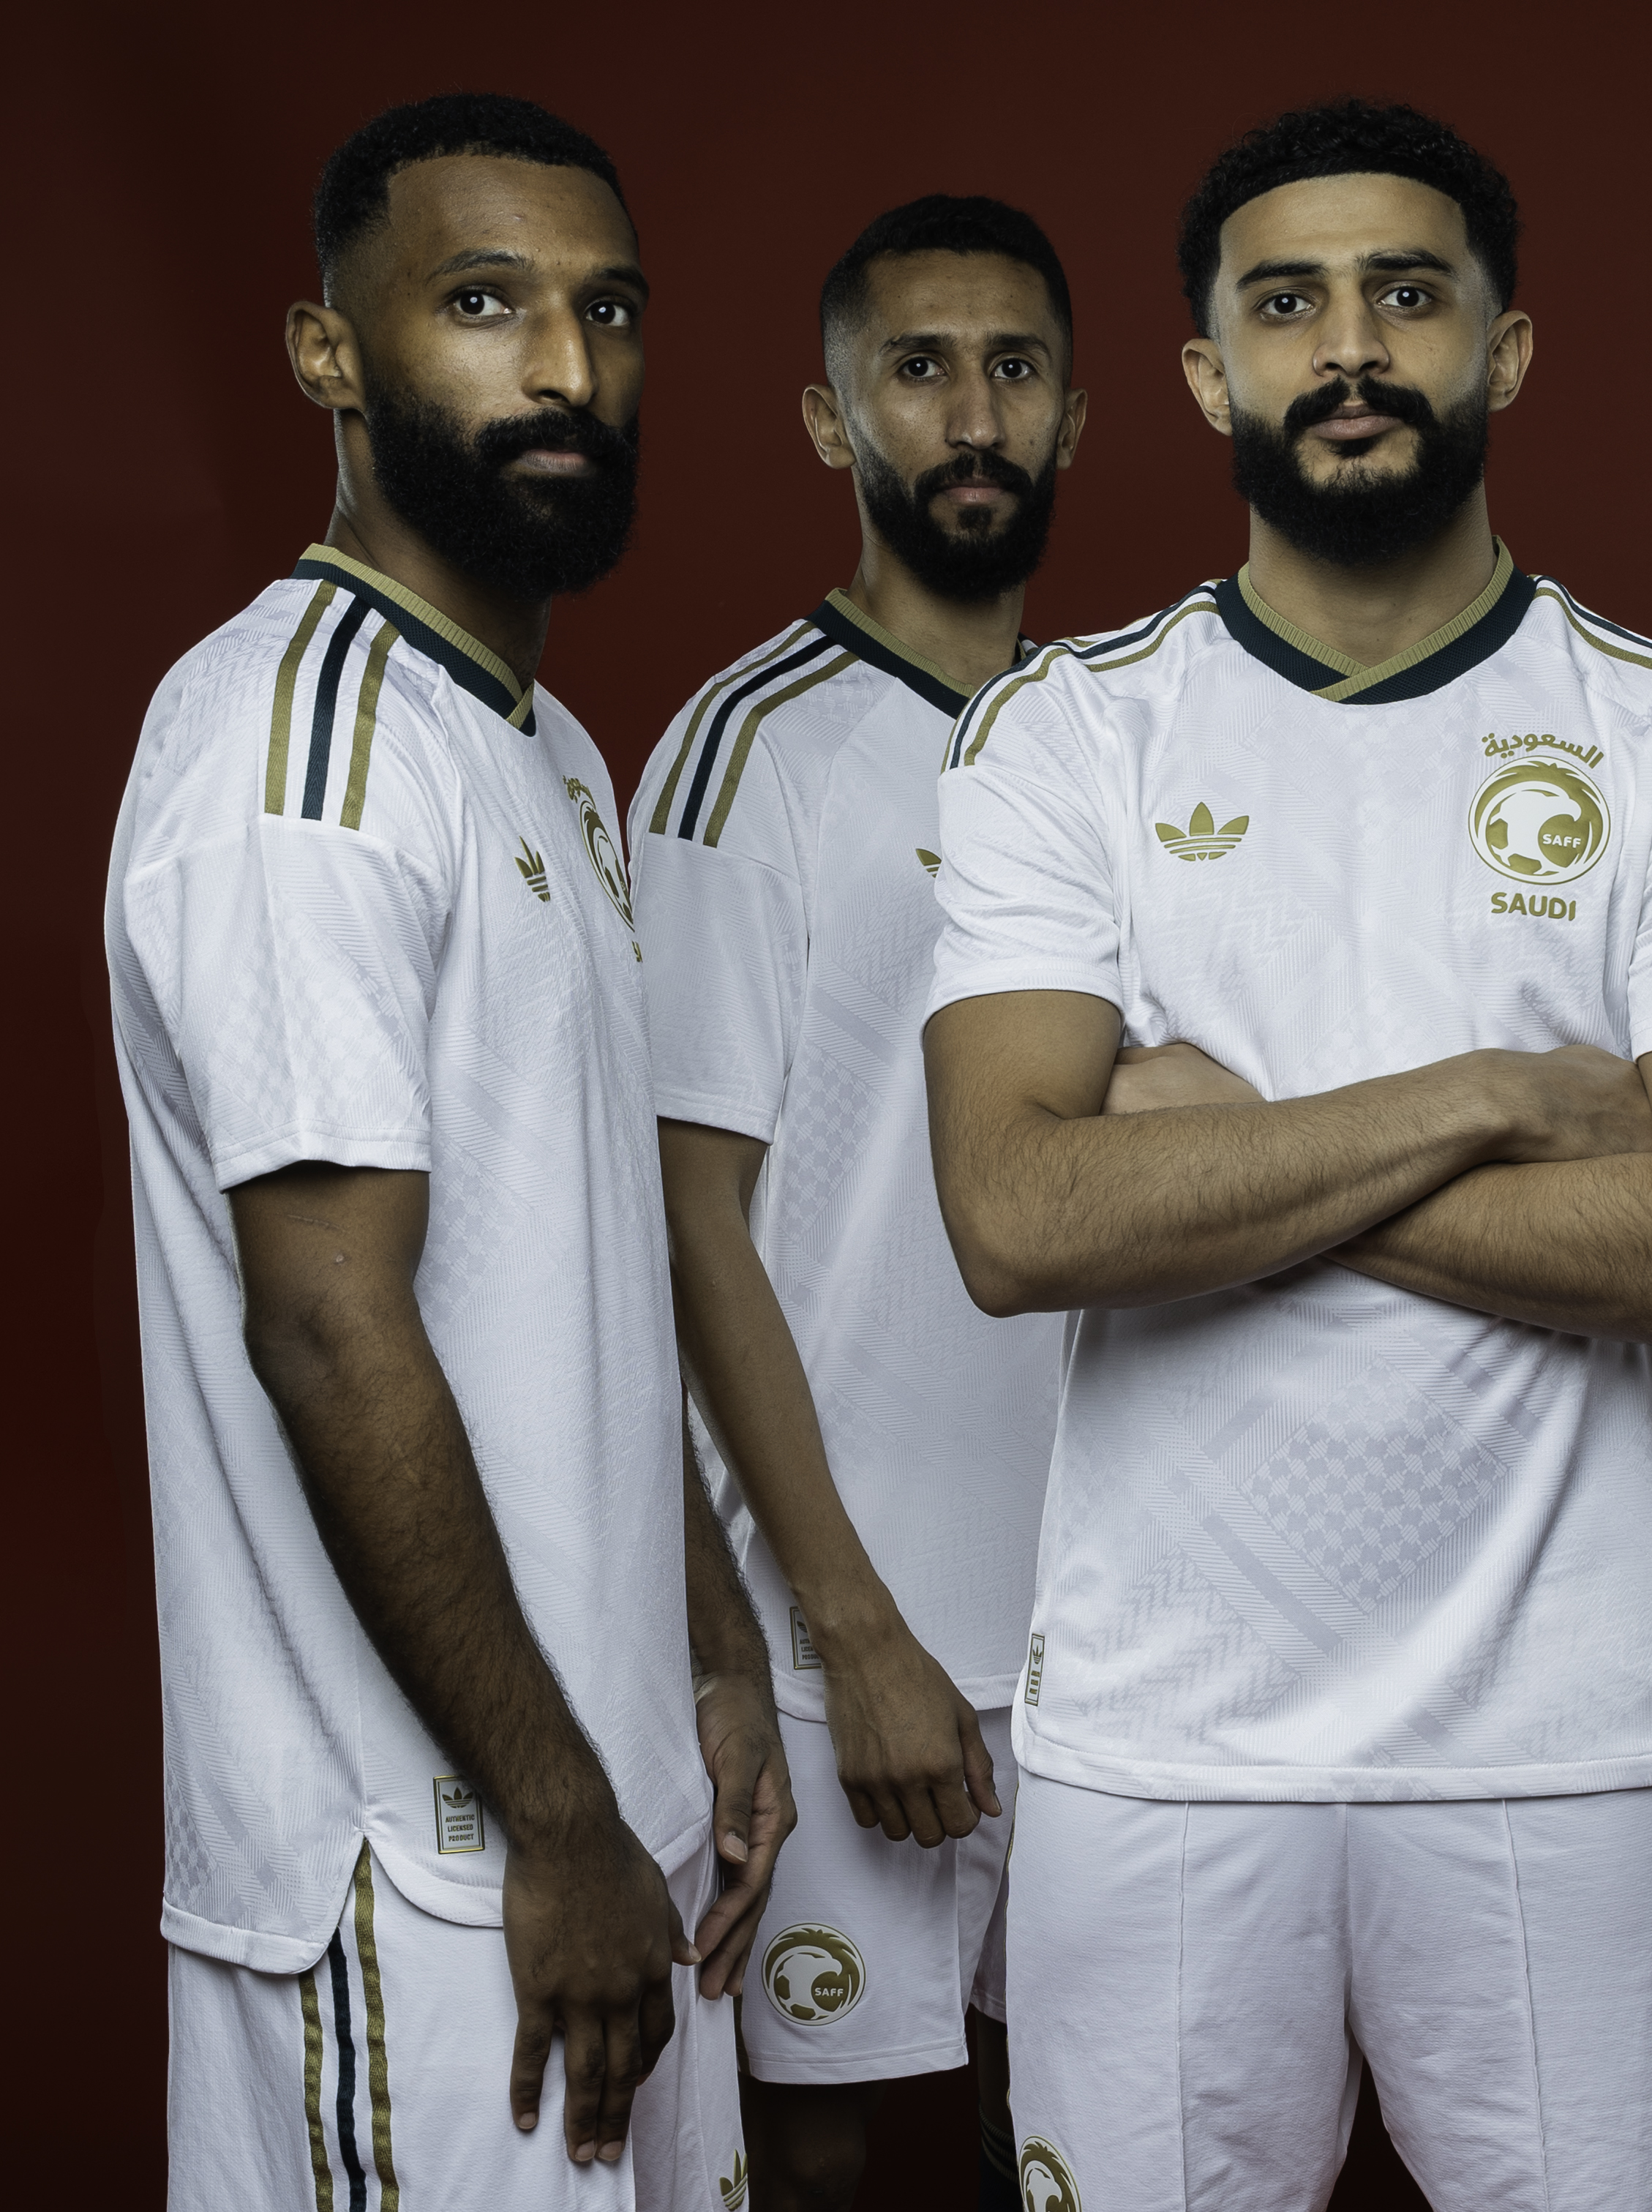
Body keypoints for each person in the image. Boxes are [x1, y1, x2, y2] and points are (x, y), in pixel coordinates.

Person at [921, 100, 1652, 2212]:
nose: (1348, 347)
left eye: (1405, 296)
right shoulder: (1065, 736)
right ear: (1203, 373)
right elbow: (1016, 1214)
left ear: (1503, 349)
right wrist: (1493, 1098)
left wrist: (1223, 1164)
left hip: (1561, 1746)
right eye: (1287, 304)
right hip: (1161, 1752)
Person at [105, 94, 789, 2211]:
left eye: (610, 311)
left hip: (608, 1823)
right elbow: (330, 1328)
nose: (566, 368)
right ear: (329, 354)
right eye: (485, 305)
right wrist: (558, 1820)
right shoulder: (299, 753)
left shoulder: (543, 741)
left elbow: (571, 1282)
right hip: (434, 1877)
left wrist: (709, 1650)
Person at [631, 195, 1084, 2212]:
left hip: (1101, 1636)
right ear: (831, 421)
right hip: (846, 1639)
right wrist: (853, 1629)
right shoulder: (746, 754)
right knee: (814, 2159)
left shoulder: (1104, 743)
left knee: (1082, 2145)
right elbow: (684, 1223)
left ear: (1076, 414)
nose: (971, 415)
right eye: (918, 368)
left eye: (1014, 367)